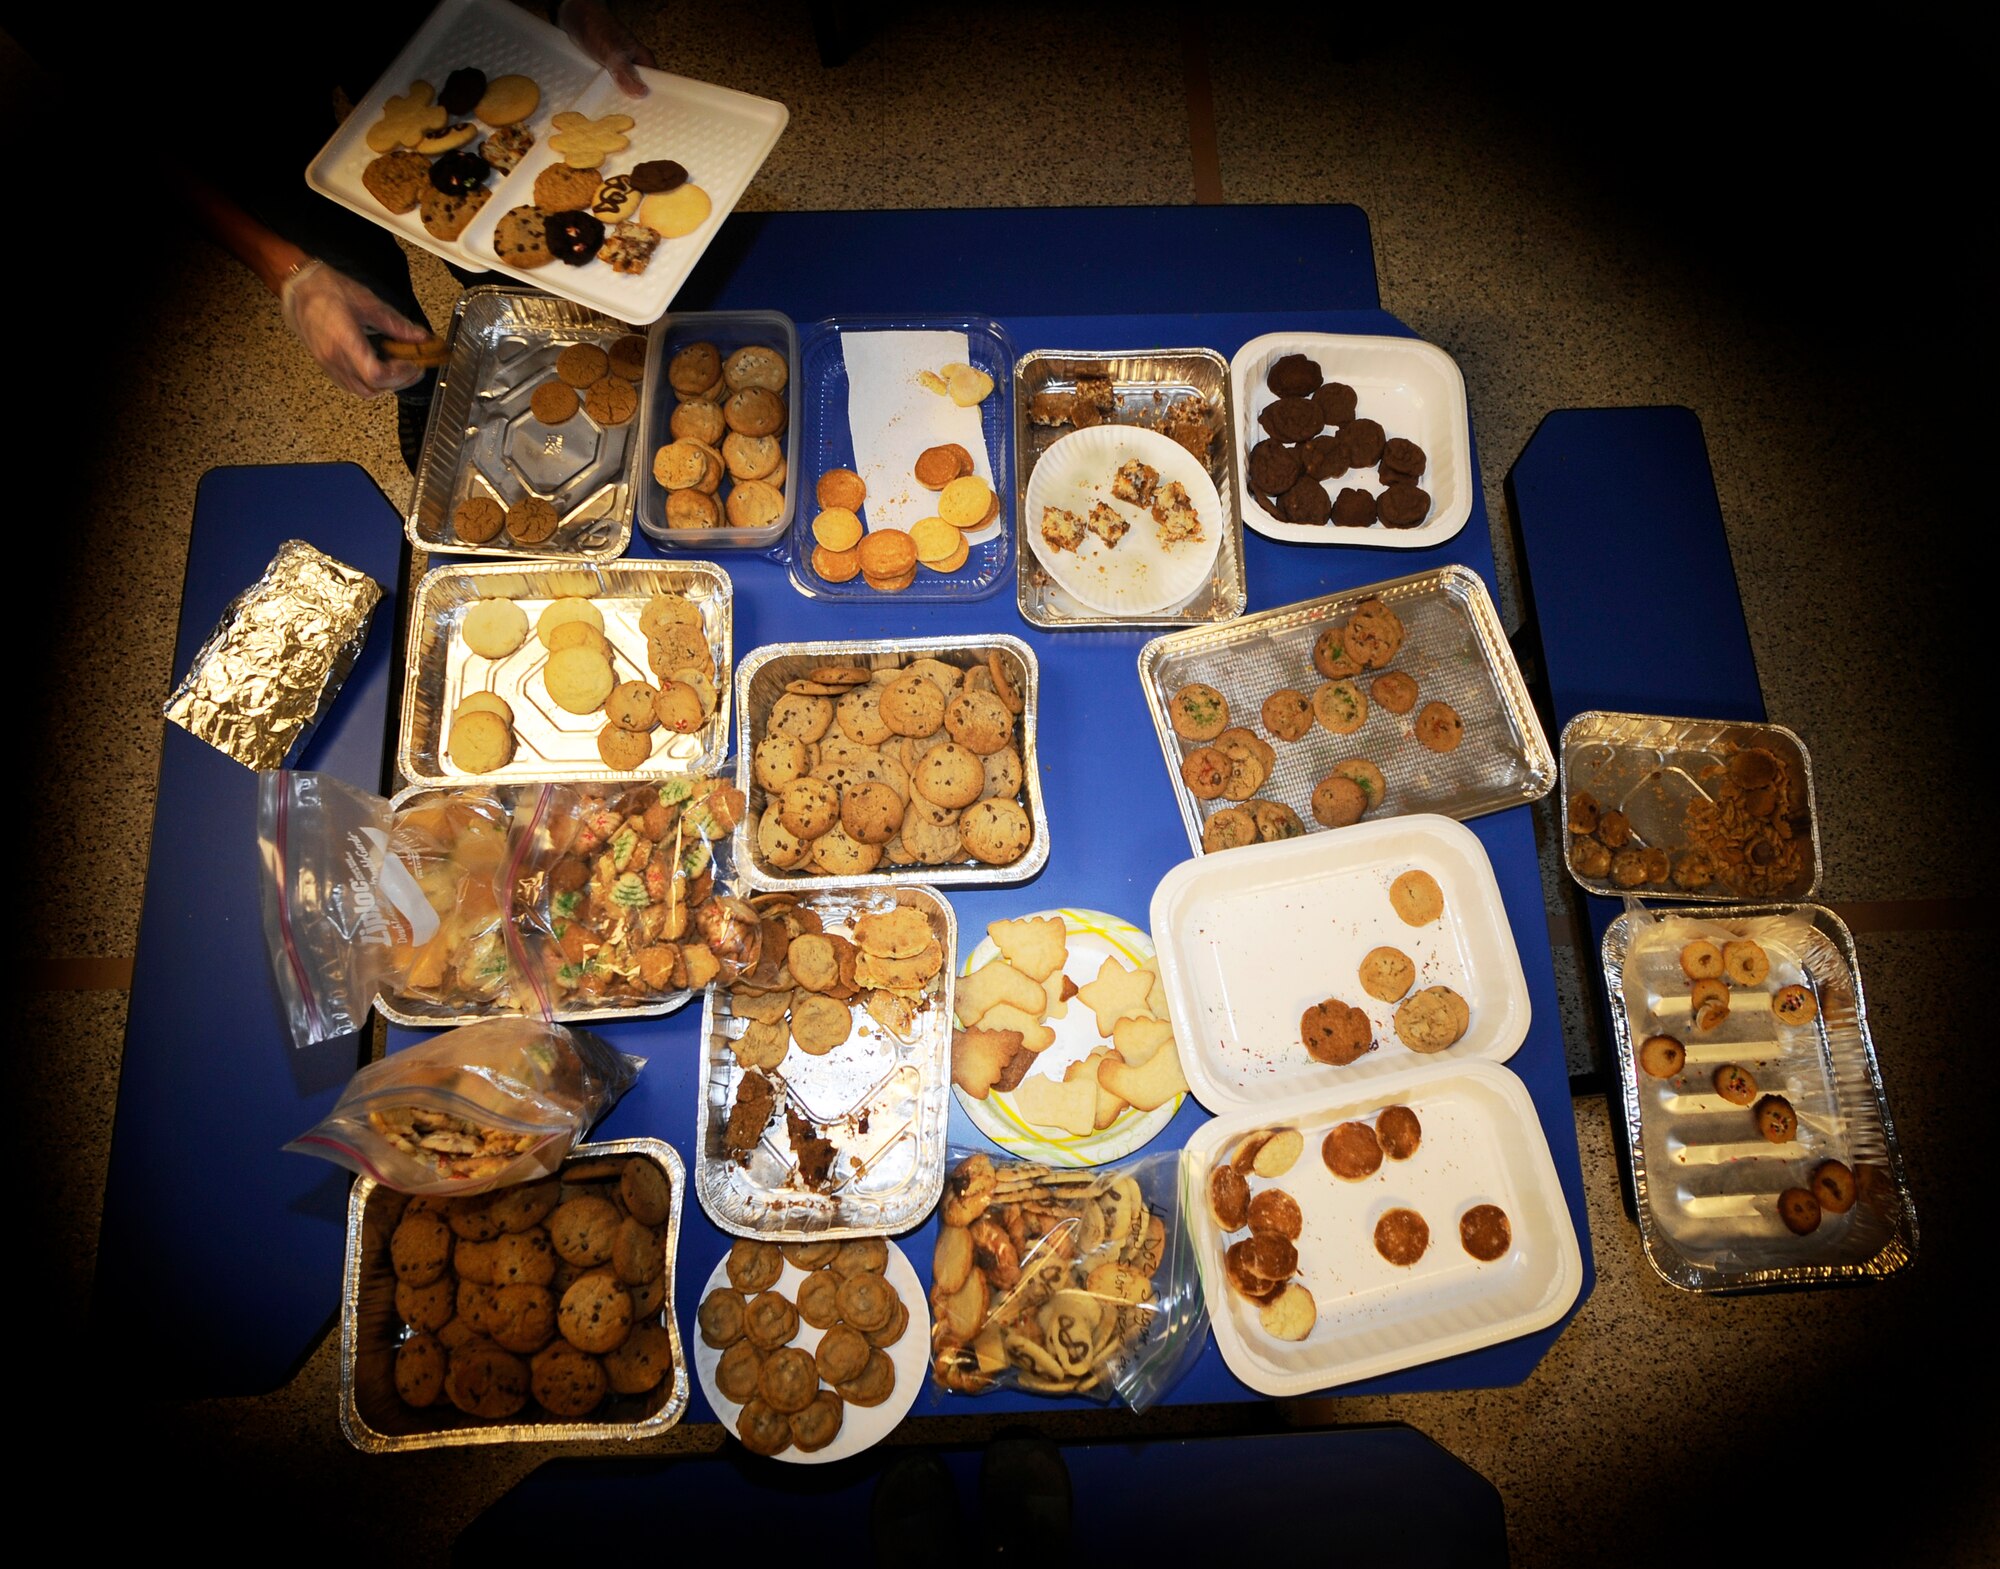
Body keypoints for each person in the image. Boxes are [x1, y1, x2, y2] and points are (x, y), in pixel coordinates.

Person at [6, 0, 655, 468]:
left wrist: (576, 2)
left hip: (397, 18)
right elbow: (121, 125)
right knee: (353, 277)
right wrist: (289, 273)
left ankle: (517, 313)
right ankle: (423, 378)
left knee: (478, 207)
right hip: (202, 81)